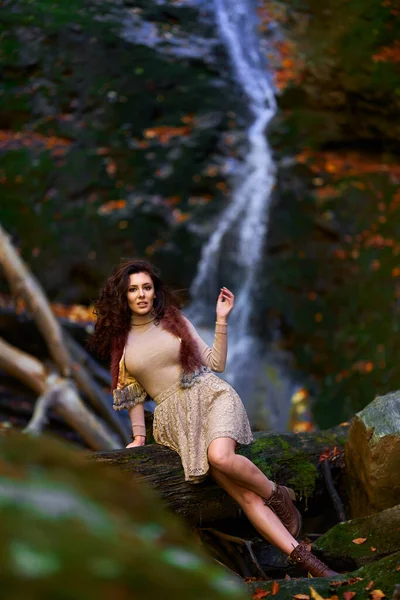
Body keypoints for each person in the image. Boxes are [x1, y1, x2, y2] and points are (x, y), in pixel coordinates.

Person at [89, 259, 338, 578]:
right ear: (122, 296)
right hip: (176, 420)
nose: (141, 295)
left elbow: (216, 362)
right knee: (244, 496)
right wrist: (138, 437)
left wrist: (221, 320)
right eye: (133, 289)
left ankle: (276, 494)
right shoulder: (121, 344)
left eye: (146, 288)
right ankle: (313, 564)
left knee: (220, 457)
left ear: (155, 291)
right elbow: (133, 396)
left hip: (209, 394)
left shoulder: (173, 320)